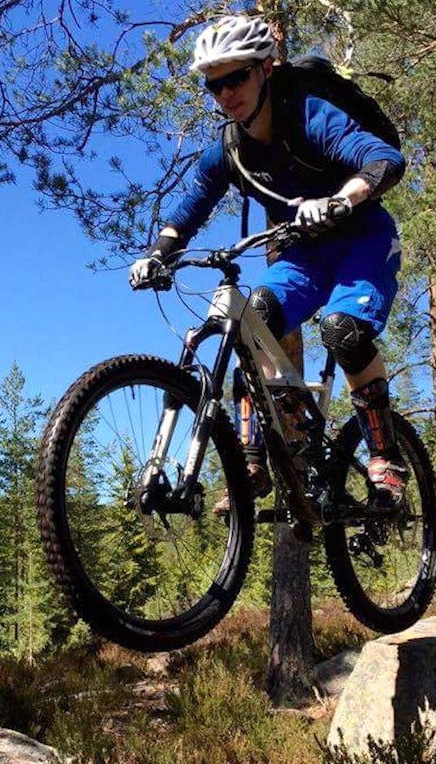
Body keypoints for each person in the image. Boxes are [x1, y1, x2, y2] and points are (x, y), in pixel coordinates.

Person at [129, 14, 408, 512]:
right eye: (214, 85)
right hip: (303, 255)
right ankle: (256, 461)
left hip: (362, 238)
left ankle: (386, 459)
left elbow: (383, 157)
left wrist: (343, 198)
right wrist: (158, 253)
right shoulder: (230, 149)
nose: (225, 93)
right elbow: (189, 208)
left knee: (343, 330)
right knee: (252, 320)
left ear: (265, 69)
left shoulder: (308, 115)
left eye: (236, 77)